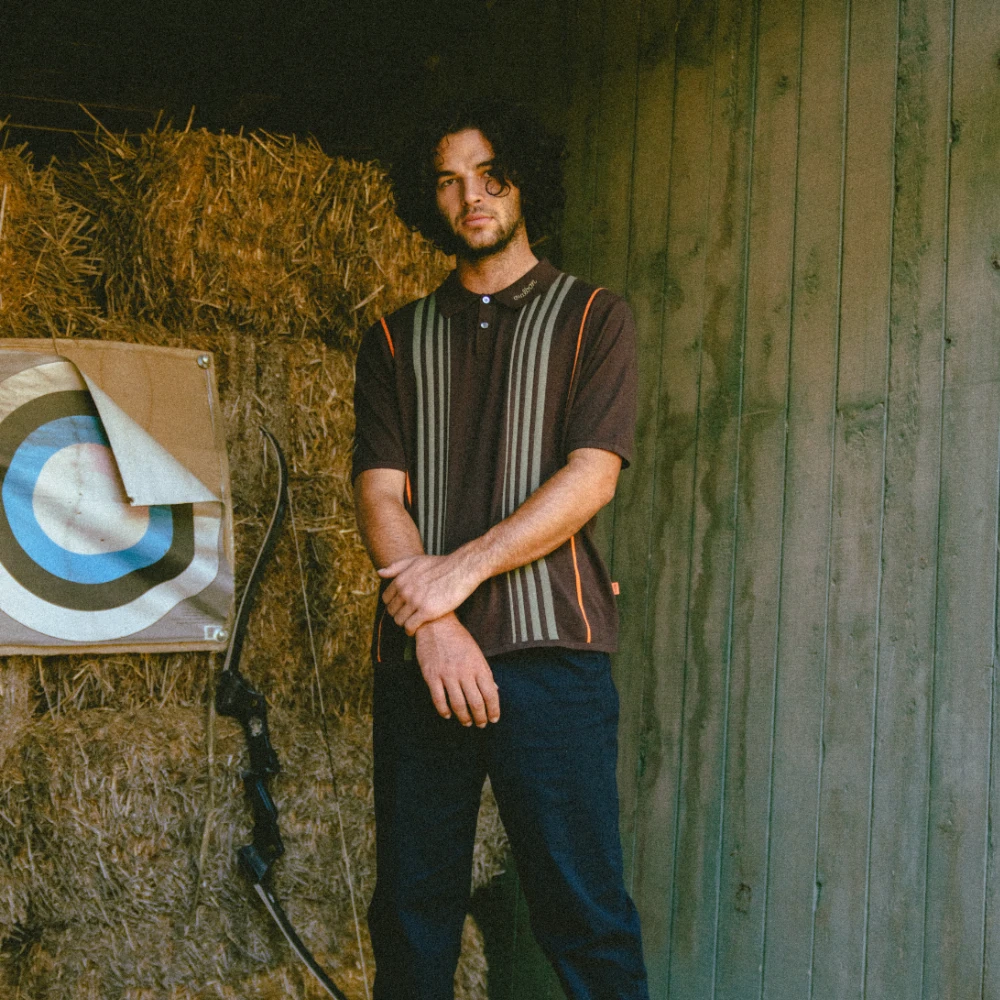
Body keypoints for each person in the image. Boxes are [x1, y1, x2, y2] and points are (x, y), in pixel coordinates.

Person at [352, 97, 649, 1000]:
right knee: (412, 916)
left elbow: (592, 476)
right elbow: (379, 494)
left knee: (584, 914)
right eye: (448, 181)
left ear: (524, 181)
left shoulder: (594, 316)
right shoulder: (392, 337)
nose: (471, 196)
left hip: (551, 651)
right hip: (422, 663)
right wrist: (435, 625)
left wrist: (459, 572)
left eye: (490, 174)